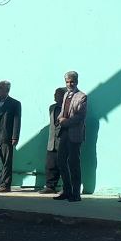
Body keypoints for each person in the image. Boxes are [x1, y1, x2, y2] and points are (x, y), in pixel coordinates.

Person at [56, 71, 89, 201]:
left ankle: (76, 194)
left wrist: (66, 121)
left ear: (76, 82)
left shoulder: (82, 96)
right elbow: (63, 112)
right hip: (64, 132)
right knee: (61, 161)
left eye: (72, 81)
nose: (70, 84)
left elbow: (80, 116)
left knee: (74, 163)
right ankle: (67, 190)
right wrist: (60, 119)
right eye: (68, 82)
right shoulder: (65, 95)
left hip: (75, 134)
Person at [40, 87, 66, 194]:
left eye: (57, 94)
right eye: (54, 93)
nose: (54, 95)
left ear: (63, 96)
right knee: (50, 165)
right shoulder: (52, 108)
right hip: (52, 141)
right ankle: (50, 186)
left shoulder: (67, 108)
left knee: (64, 165)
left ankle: (66, 187)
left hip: (63, 141)